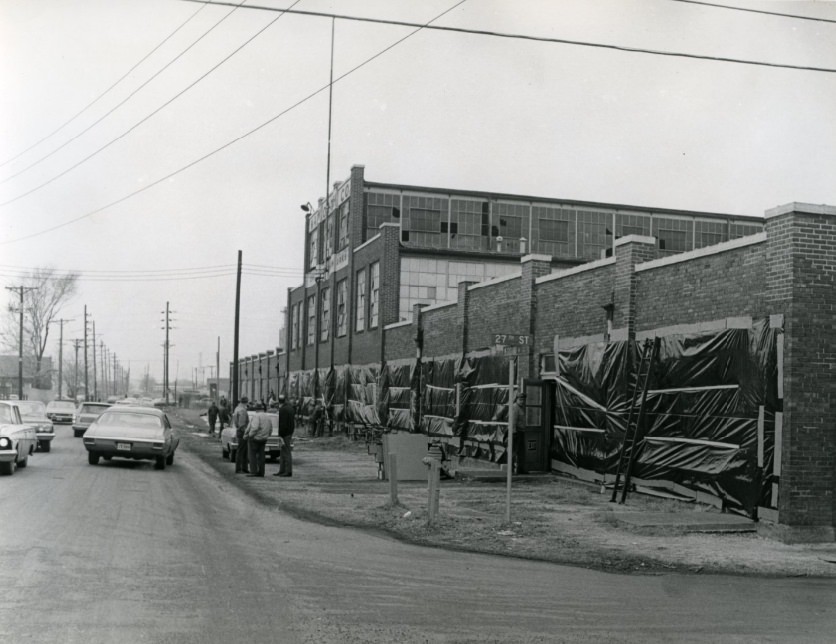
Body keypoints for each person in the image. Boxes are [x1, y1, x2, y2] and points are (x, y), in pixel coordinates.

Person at [244, 410, 271, 477]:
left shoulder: (256, 416)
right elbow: (271, 428)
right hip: (264, 439)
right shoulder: (267, 417)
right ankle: (261, 472)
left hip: (255, 438)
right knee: (261, 455)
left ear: (256, 410)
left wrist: (249, 435)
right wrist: (267, 435)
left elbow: (255, 428)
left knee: (252, 455)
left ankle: (253, 471)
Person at [274, 394, 295, 477]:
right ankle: (282, 470)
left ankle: (287, 471)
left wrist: (280, 435)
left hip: (284, 434)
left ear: (279, 401)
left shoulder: (282, 410)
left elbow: (282, 424)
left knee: (286, 452)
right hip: (289, 433)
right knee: (283, 452)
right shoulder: (290, 408)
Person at [233, 396, 250, 474]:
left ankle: (244, 467)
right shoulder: (243, 410)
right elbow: (242, 424)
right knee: (241, 450)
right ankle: (239, 468)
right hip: (242, 432)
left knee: (244, 450)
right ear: (246, 402)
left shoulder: (237, 408)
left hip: (239, 431)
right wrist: (246, 433)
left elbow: (237, 423)